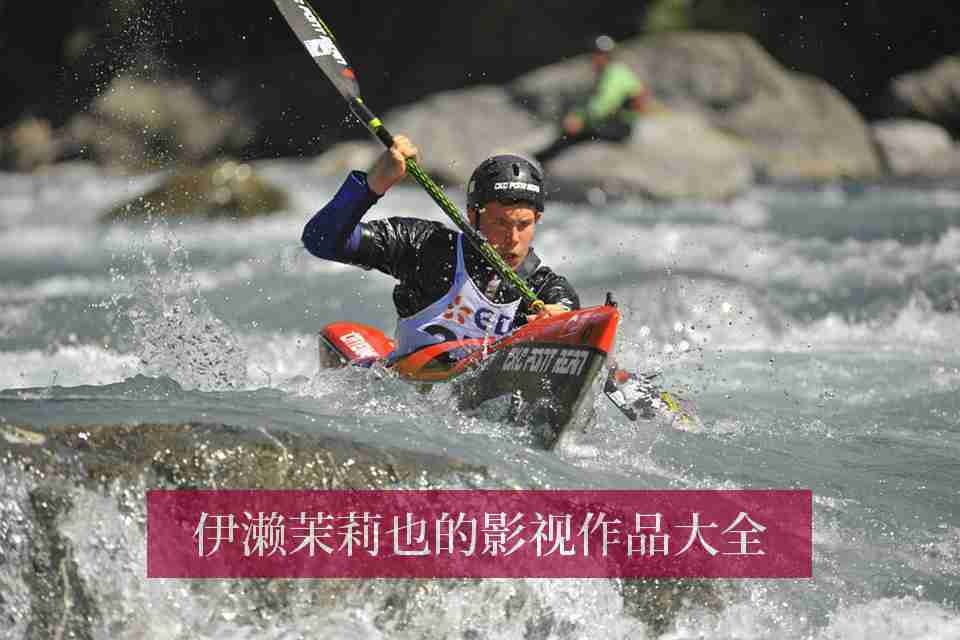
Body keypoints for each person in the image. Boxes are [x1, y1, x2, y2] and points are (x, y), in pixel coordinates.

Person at [302, 135, 580, 360]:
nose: (513, 238)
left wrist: (562, 322)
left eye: (524, 224)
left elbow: (568, 314)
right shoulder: (426, 247)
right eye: (500, 223)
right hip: (408, 392)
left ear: (537, 219)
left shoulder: (545, 289)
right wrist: (373, 184)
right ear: (472, 215)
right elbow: (321, 241)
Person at [534, 35, 650, 165]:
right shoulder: (612, 72)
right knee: (571, 131)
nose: (593, 57)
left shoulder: (615, 74)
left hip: (620, 128)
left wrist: (580, 119)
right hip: (613, 124)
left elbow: (604, 105)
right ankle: (542, 159)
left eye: (597, 53)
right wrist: (577, 115)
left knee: (573, 134)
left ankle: (540, 160)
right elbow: (593, 102)